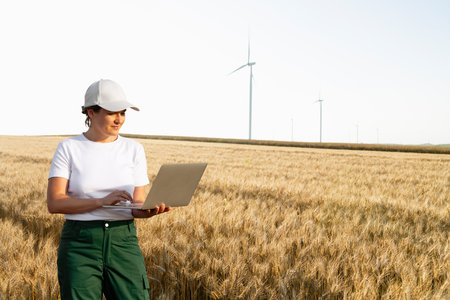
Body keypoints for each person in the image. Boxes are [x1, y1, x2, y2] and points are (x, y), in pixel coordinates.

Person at [47, 79, 170, 300]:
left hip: (123, 241)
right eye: (112, 112)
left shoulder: (134, 149)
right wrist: (101, 201)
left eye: (123, 113)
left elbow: (137, 204)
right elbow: (55, 203)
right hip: (79, 242)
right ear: (91, 112)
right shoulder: (69, 148)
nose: (119, 119)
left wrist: (149, 210)